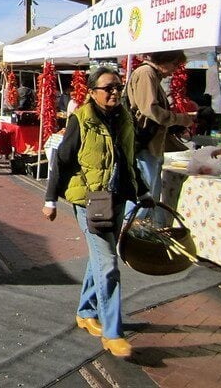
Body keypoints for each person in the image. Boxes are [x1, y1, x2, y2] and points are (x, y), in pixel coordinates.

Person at [43, 67, 154, 358]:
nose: (115, 92)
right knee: (109, 265)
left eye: (118, 86)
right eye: (108, 88)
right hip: (91, 201)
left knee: (100, 258)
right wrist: (50, 199)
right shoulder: (81, 119)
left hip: (117, 198)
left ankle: (84, 311)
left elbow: (128, 160)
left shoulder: (125, 118)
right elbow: (62, 160)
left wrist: (141, 189)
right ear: (92, 92)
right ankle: (113, 332)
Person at [124, 50, 194, 223]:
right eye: (174, 65)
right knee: (143, 195)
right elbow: (150, 110)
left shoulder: (152, 75)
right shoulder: (146, 73)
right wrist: (180, 119)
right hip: (144, 146)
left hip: (152, 146)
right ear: (164, 60)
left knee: (150, 196)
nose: (174, 71)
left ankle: (139, 235)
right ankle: (129, 236)